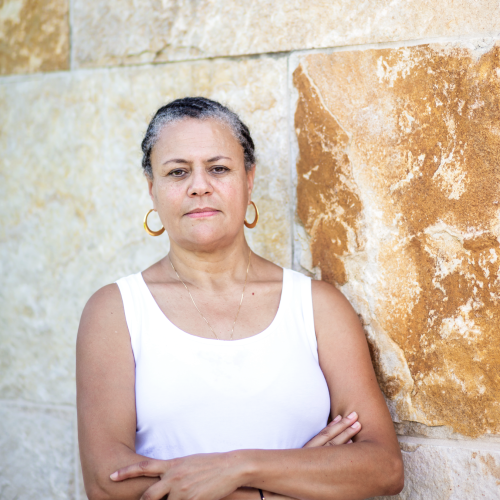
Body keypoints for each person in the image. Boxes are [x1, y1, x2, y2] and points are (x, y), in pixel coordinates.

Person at [76, 97, 404, 500]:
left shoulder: (317, 307)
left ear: (249, 180)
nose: (199, 186)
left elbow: (383, 468)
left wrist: (239, 467)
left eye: (218, 168)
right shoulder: (116, 311)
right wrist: (286, 486)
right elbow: (107, 484)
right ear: (153, 190)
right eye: (178, 172)